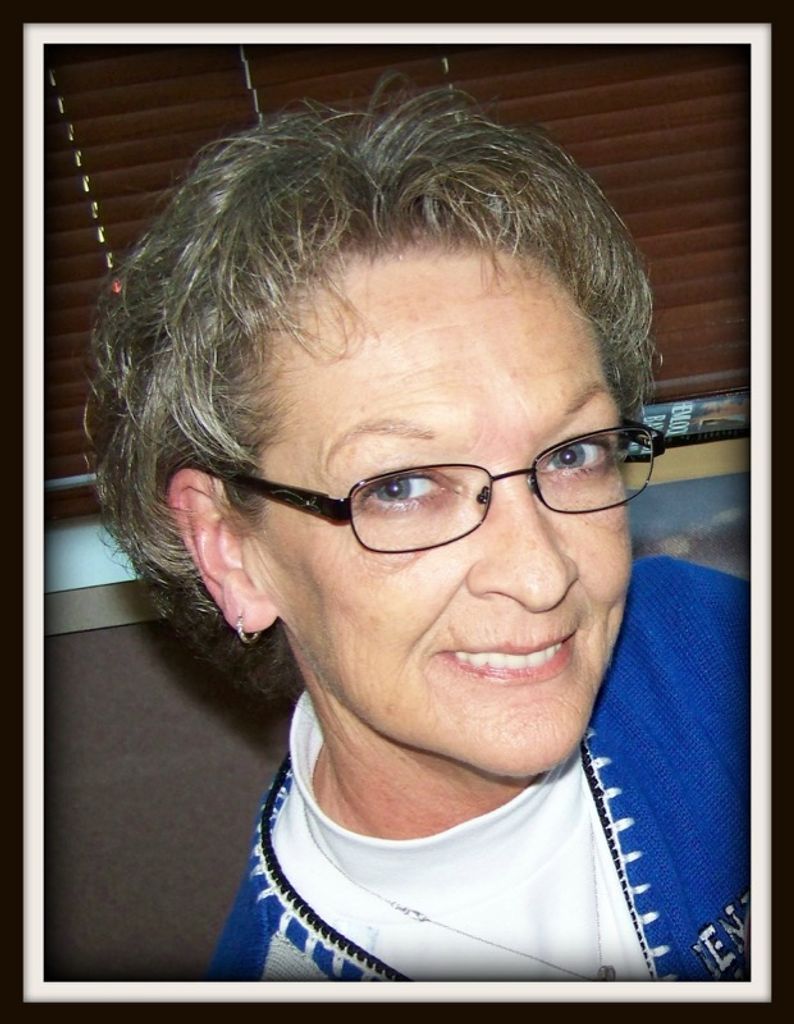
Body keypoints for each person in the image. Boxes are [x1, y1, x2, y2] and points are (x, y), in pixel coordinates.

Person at [87, 82, 749, 983]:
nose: (540, 574)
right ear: (229, 550)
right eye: (402, 487)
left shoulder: (709, 639)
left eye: (572, 453)